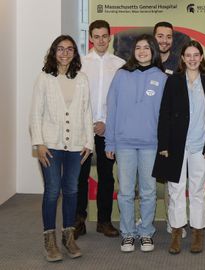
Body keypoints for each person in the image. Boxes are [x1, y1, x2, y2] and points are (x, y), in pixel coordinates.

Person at [30, 35, 93, 261]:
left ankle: (69, 237)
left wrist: (89, 142)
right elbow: (35, 113)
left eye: (69, 49)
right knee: (52, 190)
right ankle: (50, 241)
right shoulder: (44, 78)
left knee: (72, 191)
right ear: (53, 52)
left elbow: (87, 112)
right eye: (60, 49)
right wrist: (39, 143)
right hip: (50, 146)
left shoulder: (83, 79)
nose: (64, 53)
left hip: (76, 145)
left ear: (75, 53)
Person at [152, 40, 205, 254]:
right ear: (182, 58)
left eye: (195, 55)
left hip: (201, 146)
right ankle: (176, 233)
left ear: (201, 57)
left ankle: (198, 233)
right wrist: (163, 144)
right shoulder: (173, 82)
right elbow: (164, 113)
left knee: (198, 191)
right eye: (188, 55)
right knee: (176, 190)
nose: (192, 59)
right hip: (176, 147)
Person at [105, 34, 167, 253]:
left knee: (149, 192)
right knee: (126, 192)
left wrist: (164, 145)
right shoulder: (121, 75)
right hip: (124, 143)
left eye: (147, 48)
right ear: (133, 51)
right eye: (138, 48)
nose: (142, 51)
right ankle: (128, 233)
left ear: (153, 51)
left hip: (151, 144)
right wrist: (109, 142)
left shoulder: (161, 77)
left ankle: (146, 232)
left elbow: (164, 116)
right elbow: (111, 109)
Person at [74, 19, 125, 240]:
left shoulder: (121, 64)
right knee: (80, 176)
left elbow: (122, 101)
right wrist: (89, 124)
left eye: (105, 36)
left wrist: (106, 123)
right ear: (91, 38)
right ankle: (78, 221)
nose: (101, 40)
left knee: (106, 176)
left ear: (110, 37)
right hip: (83, 130)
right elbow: (77, 99)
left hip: (108, 129)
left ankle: (104, 221)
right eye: (97, 36)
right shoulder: (81, 64)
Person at [153, 20, 188, 239]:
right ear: (154, 37)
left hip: (172, 130)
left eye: (168, 36)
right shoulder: (145, 60)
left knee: (171, 179)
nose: (164, 40)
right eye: (160, 36)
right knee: (143, 178)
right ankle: (142, 220)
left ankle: (172, 221)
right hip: (147, 128)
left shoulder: (180, 65)